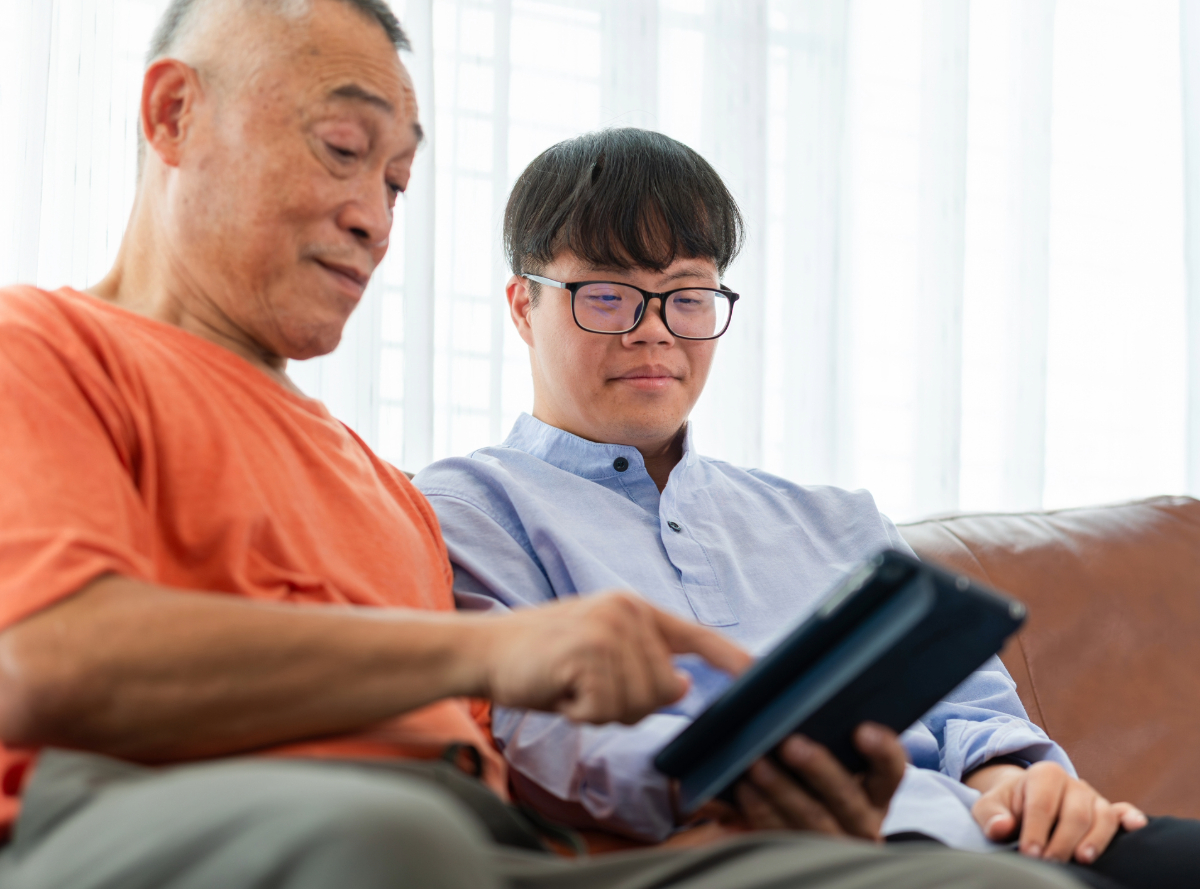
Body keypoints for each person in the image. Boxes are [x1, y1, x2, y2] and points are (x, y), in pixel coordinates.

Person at [0, 1, 1091, 887]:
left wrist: (759, 812)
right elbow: (44, 659)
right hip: (148, 802)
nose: (375, 217)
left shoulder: (381, 486)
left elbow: (508, 757)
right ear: (174, 113)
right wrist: (492, 651)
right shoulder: (43, 344)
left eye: (395, 181)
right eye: (341, 148)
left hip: (492, 844)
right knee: (386, 838)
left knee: (969, 881)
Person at [413, 127, 1199, 889]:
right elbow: (538, 730)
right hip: (807, 855)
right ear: (523, 306)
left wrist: (1019, 779)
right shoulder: (471, 504)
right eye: (610, 295)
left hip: (994, 834)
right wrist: (734, 776)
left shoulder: (835, 517)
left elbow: (967, 699)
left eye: (687, 296)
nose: (653, 333)